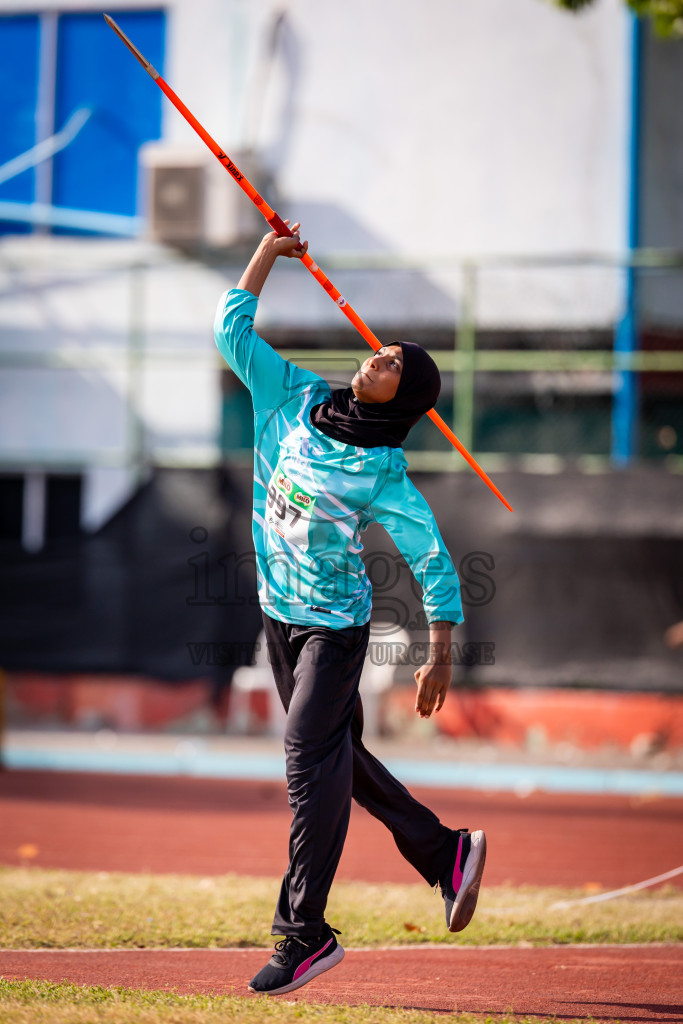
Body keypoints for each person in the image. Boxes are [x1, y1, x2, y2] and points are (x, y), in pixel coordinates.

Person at [214, 223, 487, 997]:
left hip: (333, 631)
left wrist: (440, 650)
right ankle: (445, 853)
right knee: (336, 762)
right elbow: (228, 328)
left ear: (405, 400)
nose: (377, 358)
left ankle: (304, 933)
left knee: (306, 756)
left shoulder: (384, 474)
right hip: (277, 614)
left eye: (395, 365)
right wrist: (270, 254)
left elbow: (431, 554)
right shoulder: (292, 395)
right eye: (382, 351)